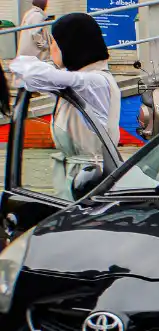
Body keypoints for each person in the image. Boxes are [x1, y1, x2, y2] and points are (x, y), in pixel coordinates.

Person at [10, 13, 121, 201]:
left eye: (55, 42)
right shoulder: (81, 79)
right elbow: (28, 77)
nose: (51, 48)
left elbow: (30, 72)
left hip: (91, 181)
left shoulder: (93, 82)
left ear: (71, 45)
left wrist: (49, 65)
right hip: (76, 178)